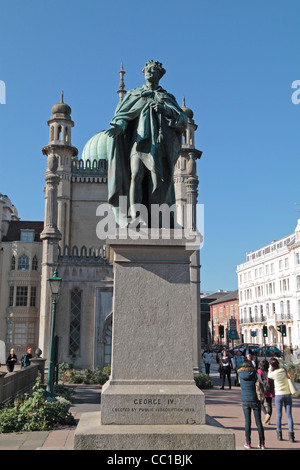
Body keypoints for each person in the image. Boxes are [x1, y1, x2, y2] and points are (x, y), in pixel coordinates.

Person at [106, 60, 188, 227]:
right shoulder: (134, 94)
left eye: (153, 70)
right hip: (138, 143)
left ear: (159, 75)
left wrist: (164, 109)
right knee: (135, 175)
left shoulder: (166, 97)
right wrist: (119, 127)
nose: (150, 72)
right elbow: (123, 116)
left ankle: (157, 219)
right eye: (147, 70)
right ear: (144, 73)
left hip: (158, 147)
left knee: (158, 181)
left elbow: (182, 120)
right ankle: (137, 217)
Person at [238, 360, 265, 449]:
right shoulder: (255, 373)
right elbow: (261, 383)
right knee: (258, 422)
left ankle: (248, 443)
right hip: (255, 399)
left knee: (247, 422)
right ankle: (262, 443)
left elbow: (240, 384)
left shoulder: (240, 374)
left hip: (245, 399)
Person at [268, 357, 295, 442]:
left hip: (279, 395)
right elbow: (284, 363)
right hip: (287, 394)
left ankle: (279, 434)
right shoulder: (284, 370)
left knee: (279, 415)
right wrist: (278, 360)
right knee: (289, 416)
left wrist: (270, 366)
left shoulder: (273, 373)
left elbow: (269, 375)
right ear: (279, 364)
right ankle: (291, 435)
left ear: (272, 366)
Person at [257, 359, 274, 425]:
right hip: (270, 389)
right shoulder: (270, 371)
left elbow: (258, 381)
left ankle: (266, 414)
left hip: (263, 389)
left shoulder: (259, 371)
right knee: (269, 404)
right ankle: (268, 420)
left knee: (261, 403)